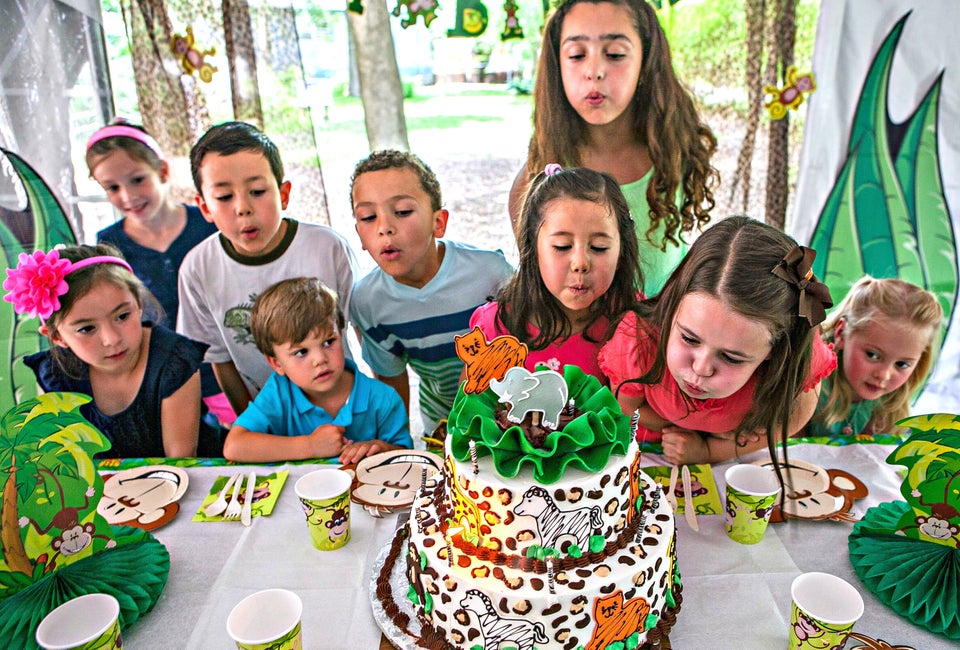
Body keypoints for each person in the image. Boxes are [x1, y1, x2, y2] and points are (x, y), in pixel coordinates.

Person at [509, 0, 719, 297]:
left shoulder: (675, 154)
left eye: (616, 54)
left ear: (646, 61)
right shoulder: (537, 180)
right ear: (558, 67)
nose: (594, 71)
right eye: (577, 55)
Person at [599, 216, 837, 466]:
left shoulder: (798, 361)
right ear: (672, 308)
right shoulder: (637, 341)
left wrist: (709, 450)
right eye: (689, 338)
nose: (701, 368)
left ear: (774, 352)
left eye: (731, 357)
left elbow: (787, 425)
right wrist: (686, 428)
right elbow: (626, 412)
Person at [177, 121, 356, 418]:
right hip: (273, 420)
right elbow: (220, 359)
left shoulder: (327, 247)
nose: (243, 208)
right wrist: (253, 423)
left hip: (347, 410)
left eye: (258, 191)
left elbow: (366, 333)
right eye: (224, 197)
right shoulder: (198, 268)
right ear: (204, 207)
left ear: (283, 193)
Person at [349, 150, 513, 435]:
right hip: (441, 425)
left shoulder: (492, 273)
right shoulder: (367, 301)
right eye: (368, 217)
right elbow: (391, 380)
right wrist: (398, 444)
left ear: (439, 222)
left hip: (508, 420)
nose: (384, 228)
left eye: (402, 212)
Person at [6, 244, 221, 458]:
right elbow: (66, 460)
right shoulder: (55, 375)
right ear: (57, 337)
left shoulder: (174, 361)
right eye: (87, 329)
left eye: (122, 316)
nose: (112, 339)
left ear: (137, 303)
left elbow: (180, 462)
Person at [85, 117, 231, 425]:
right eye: (112, 188)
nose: (127, 196)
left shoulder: (207, 224)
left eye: (138, 179)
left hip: (224, 371)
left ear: (162, 171)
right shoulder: (109, 242)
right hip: (162, 384)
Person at [472, 164, 641, 381]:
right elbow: (470, 410)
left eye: (599, 247)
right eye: (562, 246)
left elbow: (640, 413)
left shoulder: (635, 326)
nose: (580, 263)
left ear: (621, 253)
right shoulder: (498, 328)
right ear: (533, 249)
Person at [222, 277, 411, 464]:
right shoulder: (279, 392)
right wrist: (310, 446)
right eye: (301, 352)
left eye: (329, 342)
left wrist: (382, 449)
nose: (320, 359)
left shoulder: (383, 398)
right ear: (277, 364)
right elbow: (234, 446)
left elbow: (409, 459)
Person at [810, 276, 942, 437]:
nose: (883, 375)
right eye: (872, 355)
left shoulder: (892, 405)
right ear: (841, 334)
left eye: (902, 364)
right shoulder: (808, 383)